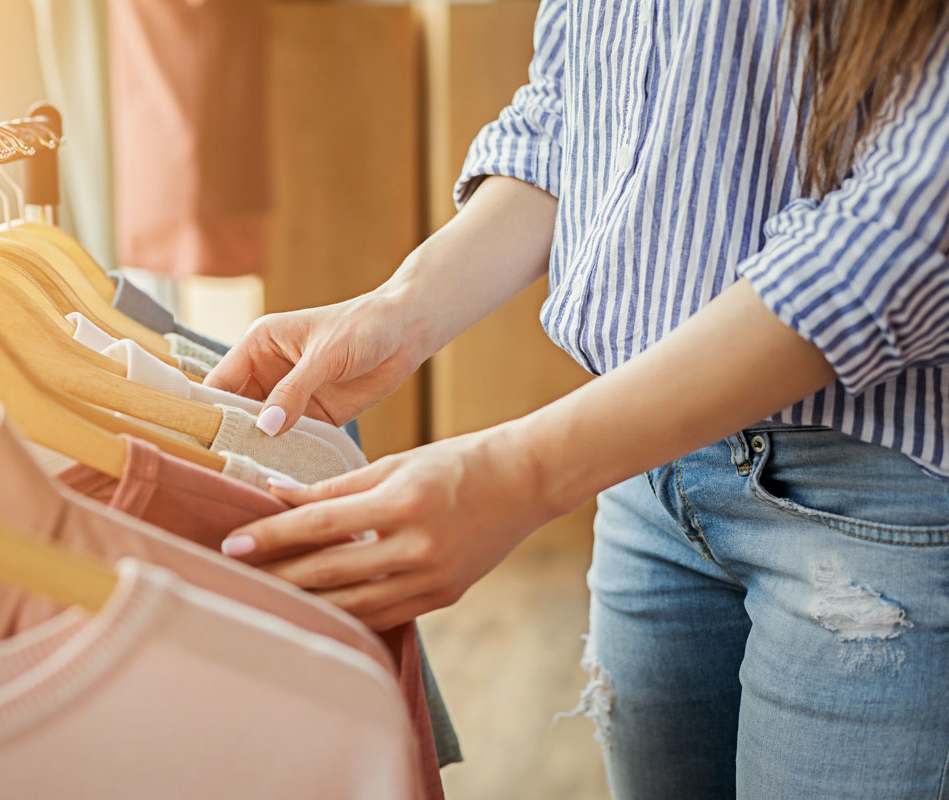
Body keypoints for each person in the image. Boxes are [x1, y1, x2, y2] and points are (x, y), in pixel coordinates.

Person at [206, 1, 949, 797]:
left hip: (878, 507)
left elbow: (907, 226)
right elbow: (571, 116)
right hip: (646, 481)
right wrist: (399, 310)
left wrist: (525, 471)